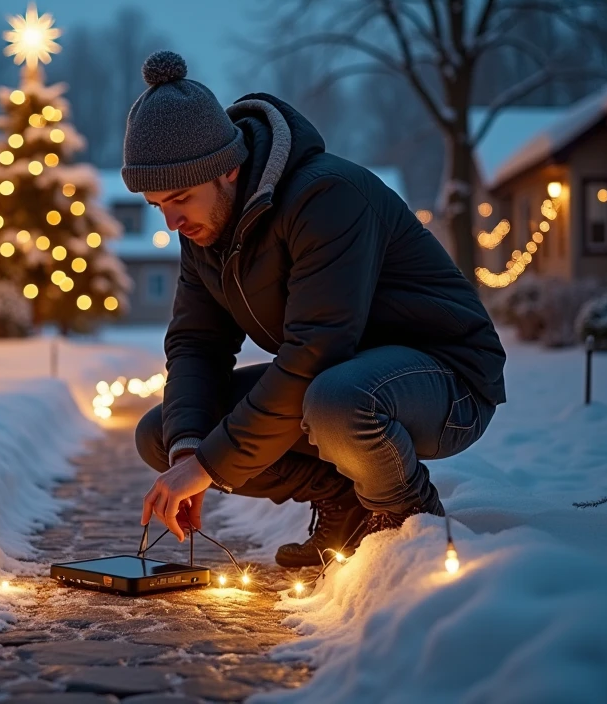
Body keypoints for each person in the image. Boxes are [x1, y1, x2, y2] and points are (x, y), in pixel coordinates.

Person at [125, 51, 506, 569]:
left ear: (229, 170)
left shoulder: (326, 196)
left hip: (445, 377)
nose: (171, 221)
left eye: (180, 198)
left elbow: (317, 351)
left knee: (336, 399)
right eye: (157, 205)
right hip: (340, 378)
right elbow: (198, 342)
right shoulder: (206, 228)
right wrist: (191, 453)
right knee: (164, 433)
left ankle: (409, 523)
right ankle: (344, 499)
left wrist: (214, 464)